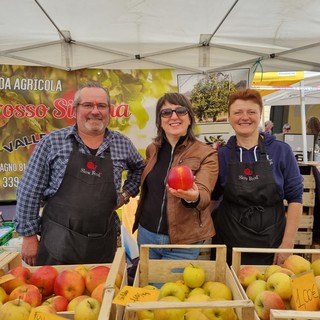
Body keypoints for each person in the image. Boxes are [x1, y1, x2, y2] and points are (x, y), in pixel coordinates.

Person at [15, 81, 144, 266]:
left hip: (103, 242)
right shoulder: (53, 142)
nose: (95, 111)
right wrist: (28, 236)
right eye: (87, 105)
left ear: (109, 111)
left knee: (101, 293)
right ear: (75, 110)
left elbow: (140, 168)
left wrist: (125, 194)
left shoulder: (122, 144)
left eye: (101, 106)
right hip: (57, 243)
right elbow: (29, 190)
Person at [211, 88, 303, 266]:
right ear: (229, 118)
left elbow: (295, 198)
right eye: (238, 112)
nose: (244, 117)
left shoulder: (280, 151)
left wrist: (287, 244)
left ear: (260, 115)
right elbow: (213, 199)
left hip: (272, 243)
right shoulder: (222, 155)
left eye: (251, 112)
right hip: (229, 242)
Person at [132, 92, 218, 260]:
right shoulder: (152, 149)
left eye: (181, 111)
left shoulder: (206, 153)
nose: (174, 116)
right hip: (147, 236)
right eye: (166, 112)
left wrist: (193, 196)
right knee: (145, 286)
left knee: (165, 286)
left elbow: (204, 192)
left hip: (183, 243)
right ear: (159, 120)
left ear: (190, 118)